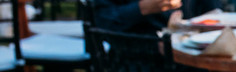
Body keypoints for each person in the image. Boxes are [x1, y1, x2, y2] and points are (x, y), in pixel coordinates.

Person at [92, 0, 223, 34]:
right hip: (139, 60)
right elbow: (102, 21)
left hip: (192, 58)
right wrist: (142, 8)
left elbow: (215, 15)